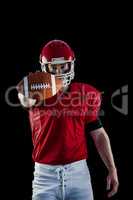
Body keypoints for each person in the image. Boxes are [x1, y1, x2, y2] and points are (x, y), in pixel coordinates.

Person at [18, 40, 119, 200]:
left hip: (79, 174)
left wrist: (112, 168)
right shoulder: (37, 91)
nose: (59, 71)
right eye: (54, 67)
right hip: (45, 176)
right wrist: (28, 88)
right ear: (44, 68)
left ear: (71, 65)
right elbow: (25, 100)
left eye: (63, 66)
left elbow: (98, 134)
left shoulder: (86, 93)